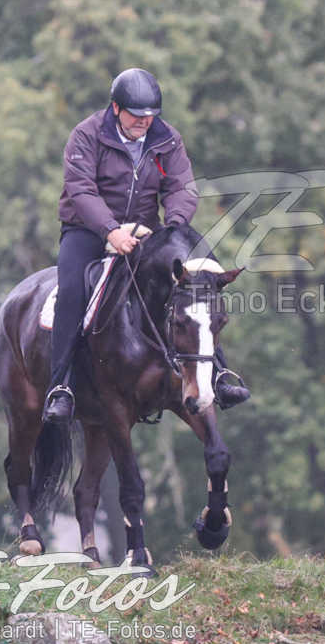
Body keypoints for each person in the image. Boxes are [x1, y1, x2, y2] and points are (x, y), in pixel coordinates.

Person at [45, 67, 252, 420]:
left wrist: (174, 226)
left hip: (146, 231)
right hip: (87, 230)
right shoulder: (86, 135)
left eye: (150, 115)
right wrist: (111, 231)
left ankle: (220, 375)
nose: (144, 121)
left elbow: (181, 187)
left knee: (198, 280)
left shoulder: (166, 138)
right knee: (72, 292)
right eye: (136, 115)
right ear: (115, 108)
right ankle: (60, 387)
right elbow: (81, 190)